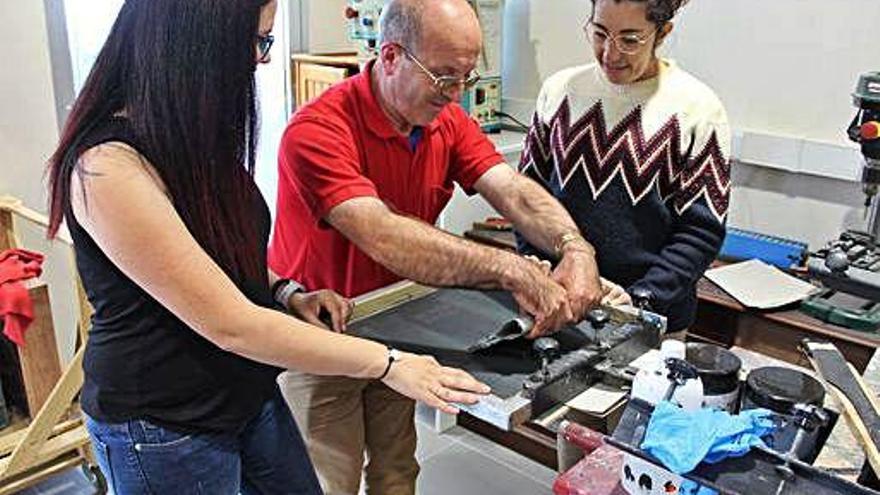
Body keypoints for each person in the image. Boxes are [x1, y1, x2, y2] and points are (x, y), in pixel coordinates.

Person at [45, 1, 490, 493]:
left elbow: (224, 258)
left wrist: (286, 292)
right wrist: (389, 362)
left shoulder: (191, 137)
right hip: (165, 424)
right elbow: (231, 323)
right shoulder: (106, 166)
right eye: (256, 41)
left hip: (245, 391)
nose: (260, 59)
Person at [268, 0, 608, 493]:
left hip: (395, 328)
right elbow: (383, 234)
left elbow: (510, 190)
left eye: (467, 76)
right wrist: (512, 269)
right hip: (321, 333)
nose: (456, 93)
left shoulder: (443, 119)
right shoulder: (317, 130)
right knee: (327, 482)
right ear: (390, 57)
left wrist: (576, 248)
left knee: (397, 469)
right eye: (444, 75)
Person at [519, 0, 732, 338]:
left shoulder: (697, 110)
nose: (610, 54)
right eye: (600, 33)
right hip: (557, 299)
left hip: (649, 316)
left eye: (630, 40)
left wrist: (642, 299)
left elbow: (700, 232)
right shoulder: (560, 91)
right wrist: (536, 268)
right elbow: (527, 197)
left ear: (663, 33)